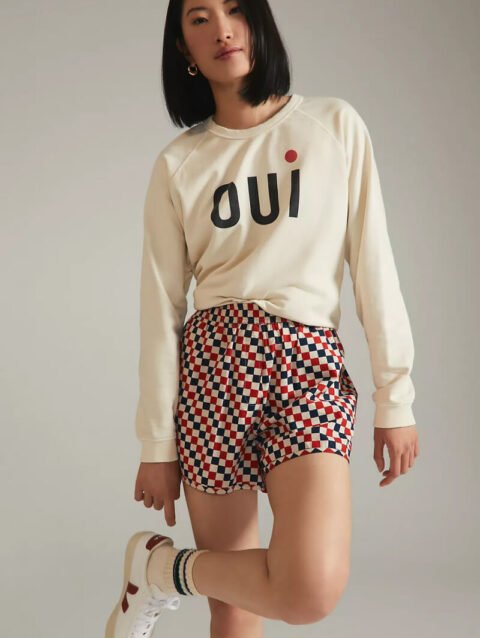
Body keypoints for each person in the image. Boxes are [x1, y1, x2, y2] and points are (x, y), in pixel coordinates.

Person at [105, 0, 420, 636]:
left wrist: (396, 397)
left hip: (307, 364)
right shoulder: (180, 163)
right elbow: (160, 307)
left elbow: (373, 263)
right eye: (199, 18)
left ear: (258, 21)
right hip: (214, 366)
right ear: (182, 48)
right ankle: (165, 574)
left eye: (235, 9)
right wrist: (156, 443)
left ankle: (160, 571)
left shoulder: (333, 126)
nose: (222, 29)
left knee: (307, 589)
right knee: (235, 606)